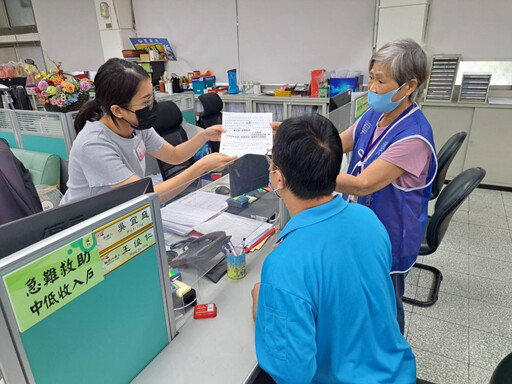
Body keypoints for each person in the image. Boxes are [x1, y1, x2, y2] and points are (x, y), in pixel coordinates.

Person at [251, 114, 416, 384]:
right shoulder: (369, 220)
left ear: (277, 178)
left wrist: (262, 304)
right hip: (397, 373)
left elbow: (292, 374)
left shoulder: (283, 264)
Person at [336, 39, 437, 334]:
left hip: (390, 235)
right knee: (363, 300)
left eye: (381, 81)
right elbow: (338, 142)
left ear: (408, 87)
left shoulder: (413, 137)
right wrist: (301, 138)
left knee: (386, 306)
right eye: (371, 77)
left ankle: (392, 364)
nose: (372, 87)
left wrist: (305, 170)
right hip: (363, 226)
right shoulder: (374, 115)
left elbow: (364, 184)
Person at [60, 58, 235, 205]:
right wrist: (201, 167)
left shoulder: (135, 125)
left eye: (152, 97)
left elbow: (174, 155)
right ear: (118, 110)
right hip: (86, 227)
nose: (151, 105)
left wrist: (204, 136)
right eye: (145, 101)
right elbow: (143, 196)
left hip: (119, 213)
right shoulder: (93, 144)